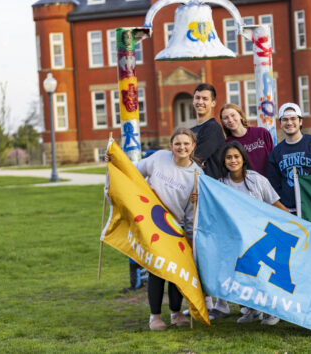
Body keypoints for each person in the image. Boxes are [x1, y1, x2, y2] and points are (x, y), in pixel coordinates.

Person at [106, 127, 202, 331]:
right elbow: (133, 172)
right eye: (177, 143)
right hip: (151, 224)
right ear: (171, 145)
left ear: (193, 146)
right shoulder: (159, 158)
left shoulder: (197, 174)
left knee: (177, 273)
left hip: (177, 228)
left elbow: (193, 212)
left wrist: (191, 236)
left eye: (186, 144)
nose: (181, 147)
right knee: (157, 271)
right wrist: (115, 163)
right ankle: (155, 316)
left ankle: (176, 313)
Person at [210, 141, 289, 326]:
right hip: (235, 240)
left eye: (236, 156)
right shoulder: (221, 183)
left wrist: (298, 224)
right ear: (224, 161)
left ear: (243, 158)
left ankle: (272, 311)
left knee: (263, 277)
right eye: (229, 157)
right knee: (241, 277)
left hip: (259, 238)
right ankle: (253, 311)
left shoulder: (257, 180)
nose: (233, 160)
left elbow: (275, 204)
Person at [267, 103, 311, 214]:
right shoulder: (276, 153)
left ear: (300, 121)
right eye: (285, 120)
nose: (289, 123)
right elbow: (274, 186)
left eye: (293, 118)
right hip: (289, 210)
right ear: (280, 123)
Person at [220, 103, 274, 177]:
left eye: (233, 115)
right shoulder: (227, 144)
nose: (230, 120)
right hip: (247, 186)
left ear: (241, 116)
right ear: (223, 122)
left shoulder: (262, 133)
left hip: (269, 183)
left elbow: (274, 159)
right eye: (226, 118)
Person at [191, 83, 225, 179]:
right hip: (194, 186)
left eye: (205, 99)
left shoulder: (212, 128)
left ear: (213, 103)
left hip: (210, 185)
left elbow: (195, 158)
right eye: (197, 98)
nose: (200, 102)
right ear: (193, 101)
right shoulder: (190, 131)